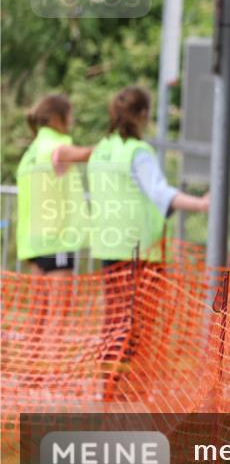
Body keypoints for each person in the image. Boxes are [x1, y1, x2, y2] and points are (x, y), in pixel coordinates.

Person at [87, 87, 209, 390]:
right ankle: (126, 387)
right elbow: (159, 192)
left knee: (115, 320)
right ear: (142, 115)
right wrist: (201, 204)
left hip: (109, 244)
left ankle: (110, 385)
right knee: (136, 323)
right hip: (139, 249)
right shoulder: (137, 151)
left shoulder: (102, 148)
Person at [16, 94, 91, 275]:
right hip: (57, 240)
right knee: (58, 304)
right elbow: (88, 154)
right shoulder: (55, 146)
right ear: (57, 119)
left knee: (40, 303)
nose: (72, 121)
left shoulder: (31, 153)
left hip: (32, 242)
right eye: (70, 115)